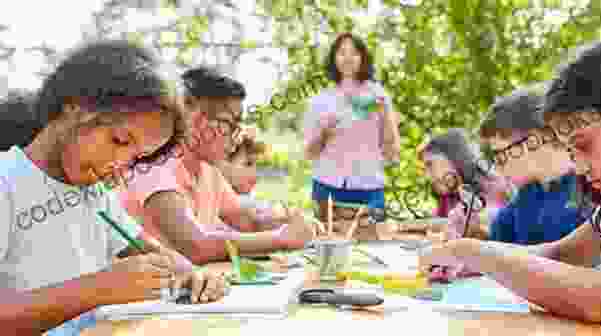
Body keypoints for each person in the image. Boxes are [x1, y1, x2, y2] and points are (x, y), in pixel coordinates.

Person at [420, 34, 601, 334]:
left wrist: (470, 252)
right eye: (570, 151)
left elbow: (599, 295)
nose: (578, 166)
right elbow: (557, 254)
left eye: (584, 145)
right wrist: (469, 258)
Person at [0, 40, 229, 335]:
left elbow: (152, 254)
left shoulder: (93, 194)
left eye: (136, 157)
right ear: (73, 107)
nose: (120, 165)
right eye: (119, 140)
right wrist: (99, 288)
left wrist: (194, 275)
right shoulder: (7, 183)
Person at [120, 66, 314, 264]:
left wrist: (296, 225)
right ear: (192, 119)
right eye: (229, 123)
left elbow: (246, 222)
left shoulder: (207, 172)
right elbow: (195, 246)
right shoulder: (153, 168)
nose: (236, 137)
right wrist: (280, 239)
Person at [302, 32, 401, 237]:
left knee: (377, 245)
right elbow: (309, 154)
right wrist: (324, 133)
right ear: (334, 59)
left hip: (370, 188)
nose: (347, 58)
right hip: (326, 186)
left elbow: (392, 152)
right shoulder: (320, 101)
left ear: (363, 58)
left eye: (354, 53)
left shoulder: (378, 95)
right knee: (327, 248)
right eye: (341, 52)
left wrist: (386, 116)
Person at [478, 85, 586, 246]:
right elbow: (496, 245)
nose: (497, 167)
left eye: (500, 155)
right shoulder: (529, 193)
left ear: (533, 140)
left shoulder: (589, 188)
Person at [416, 129, 510, 282]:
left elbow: (484, 229)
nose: (428, 175)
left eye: (430, 165)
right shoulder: (454, 193)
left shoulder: (492, 187)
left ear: (452, 157)